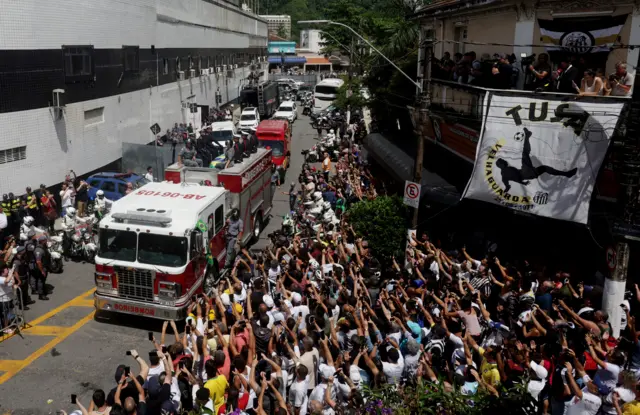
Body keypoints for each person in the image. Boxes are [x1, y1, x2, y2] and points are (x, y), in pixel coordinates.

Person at [495, 128, 577, 193]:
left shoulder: (504, 175)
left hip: (530, 174)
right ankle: (527, 135)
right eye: (502, 161)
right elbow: (513, 180)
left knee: (544, 168)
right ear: (501, 165)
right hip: (525, 173)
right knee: (525, 154)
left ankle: (566, 174)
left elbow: (507, 185)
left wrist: (519, 183)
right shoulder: (504, 172)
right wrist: (521, 182)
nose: (504, 161)